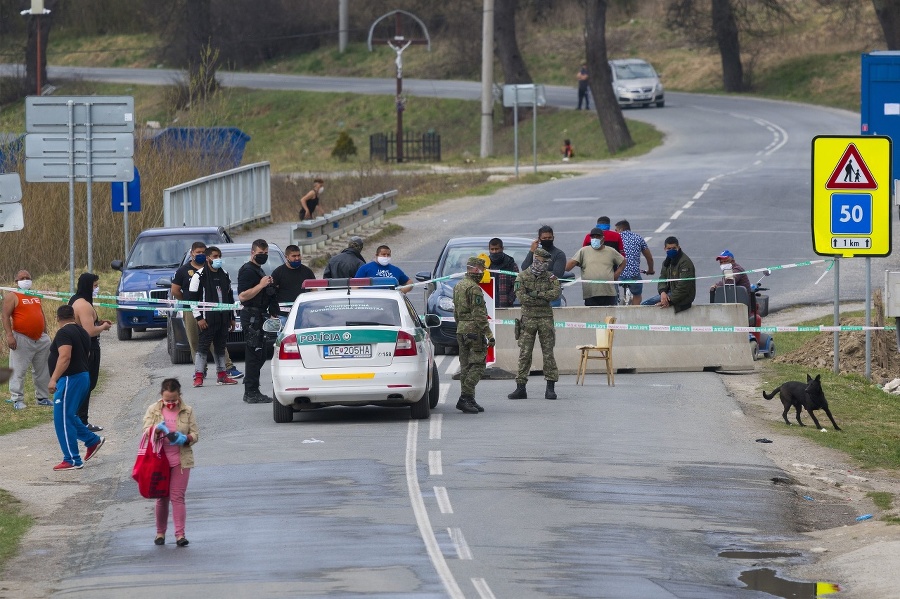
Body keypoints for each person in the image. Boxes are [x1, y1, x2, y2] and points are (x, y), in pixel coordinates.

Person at [171, 242, 242, 380]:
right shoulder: (183, 271)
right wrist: (189, 302)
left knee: (218, 341)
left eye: (204, 252)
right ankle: (200, 370)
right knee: (195, 341)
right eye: (198, 252)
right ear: (192, 253)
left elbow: (227, 295)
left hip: (215, 313)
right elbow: (175, 291)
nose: (201, 255)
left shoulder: (217, 271)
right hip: (192, 311)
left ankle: (227, 367)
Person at [143, 377, 199, 548]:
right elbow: (146, 431)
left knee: (177, 497)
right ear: (161, 396)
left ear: (179, 396)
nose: (170, 403)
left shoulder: (187, 410)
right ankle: (160, 533)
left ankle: (180, 535)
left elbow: (195, 434)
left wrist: (186, 438)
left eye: (174, 400)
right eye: (167, 400)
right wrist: (156, 429)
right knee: (162, 498)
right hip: (159, 461)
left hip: (181, 461)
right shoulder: (153, 409)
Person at [48, 305, 104, 471]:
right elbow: (86, 354)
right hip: (82, 377)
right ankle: (92, 441)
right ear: (73, 316)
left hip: (70, 379)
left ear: (57, 318)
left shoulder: (64, 333)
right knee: (69, 416)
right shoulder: (82, 331)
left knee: (62, 419)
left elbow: (65, 356)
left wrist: (53, 379)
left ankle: (72, 459)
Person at [508, 248, 561, 401]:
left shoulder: (550, 277)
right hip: (528, 319)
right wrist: (542, 298)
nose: (544, 264)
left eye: (546, 262)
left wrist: (536, 294)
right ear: (535, 259)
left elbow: (556, 293)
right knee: (524, 354)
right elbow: (522, 298)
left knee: (548, 353)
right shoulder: (522, 276)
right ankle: (520, 387)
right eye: (541, 261)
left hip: (545, 318)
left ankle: (550, 388)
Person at [188, 246, 238, 388]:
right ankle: (198, 376)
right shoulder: (199, 276)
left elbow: (229, 298)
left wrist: (231, 317)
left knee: (220, 347)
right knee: (202, 347)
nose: (218, 259)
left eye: (219, 256)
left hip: (223, 318)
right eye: (215, 256)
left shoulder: (225, 274)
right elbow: (192, 300)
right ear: (208, 258)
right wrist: (199, 318)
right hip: (207, 319)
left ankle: (222, 376)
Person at [68, 273, 112, 433]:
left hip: (79, 346)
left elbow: (83, 323)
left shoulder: (73, 299)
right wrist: (103, 327)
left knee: (83, 384)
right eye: (94, 285)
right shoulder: (85, 305)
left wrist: (98, 322)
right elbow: (89, 331)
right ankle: (82, 420)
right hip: (88, 348)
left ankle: (78, 419)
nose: (97, 288)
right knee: (87, 384)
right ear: (88, 286)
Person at [2, 270, 51, 409]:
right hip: (22, 338)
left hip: (40, 338)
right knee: (18, 370)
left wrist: (45, 333)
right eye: (22, 278)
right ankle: (17, 399)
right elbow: (5, 316)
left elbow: (40, 313)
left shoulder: (35, 295)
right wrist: (9, 335)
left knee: (42, 370)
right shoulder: (12, 296)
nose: (25, 280)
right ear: (16, 281)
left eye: (28, 278)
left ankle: (42, 397)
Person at [237, 239, 278, 404]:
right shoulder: (247, 271)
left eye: (266, 254)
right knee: (254, 355)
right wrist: (261, 286)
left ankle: (251, 386)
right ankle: (251, 392)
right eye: (261, 253)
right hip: (251, 317)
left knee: (260, 355)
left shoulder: (258, 270)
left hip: (260, 316)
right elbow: (243, 296)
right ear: (252, 252)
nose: (264, 256)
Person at [452, 257, 494, 414]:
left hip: (461, 329)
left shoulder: (458, 285)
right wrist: (489, 334)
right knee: (478, 365)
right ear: (476, 269)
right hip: (474, 330)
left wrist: (460, 326)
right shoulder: (474, 288)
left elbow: (455, 311)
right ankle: (465, 397)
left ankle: (469, 399)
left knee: (466, 366)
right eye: (482, 270)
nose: (483, 273)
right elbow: (479, 314)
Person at [566, 228, 626, 306]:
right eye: (593, 237)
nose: (595, 239)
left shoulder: (611, 251)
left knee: (609, 316)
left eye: (597, 237)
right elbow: (570, 264)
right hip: (591, 293)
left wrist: (617, 273)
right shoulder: (584, 251)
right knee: (592, 317)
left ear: (603, 238)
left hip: (608, 292)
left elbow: (623, 261)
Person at [641, 236, 696, 313]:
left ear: (678, 247)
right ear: (665, 249)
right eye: (669, 248)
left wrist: (669, 301)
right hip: (669, 293)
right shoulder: (667, 262)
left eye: (674, 248)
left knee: (647, 305)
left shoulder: (685, 263)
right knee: (644, 305)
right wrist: (662, 292)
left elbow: (683, 287)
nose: (671, 250)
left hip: (683, 297)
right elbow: (662, 278)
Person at [271, 244, 315, 324]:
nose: (297, 258)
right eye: (294, 256)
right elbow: (272, 293)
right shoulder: (278, 272)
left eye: (298, 255)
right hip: (283, 315)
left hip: (303, 314)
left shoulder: (307, 272)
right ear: (287, 257)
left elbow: (314, 291)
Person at [615, 220, 655, 305]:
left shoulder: (616, 239)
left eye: (616, 230)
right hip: (634, 274)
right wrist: (650, 270)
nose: (616, 232)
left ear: (621, 229)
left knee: (614, 294)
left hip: (618, 274)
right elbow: (649, 258)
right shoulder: (638, 238)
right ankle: (634, 311)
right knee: (637, 295)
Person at [488, 238, 519, 308]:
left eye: (497, 249)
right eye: (492, 249)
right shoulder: (485, 265)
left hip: (506, 308)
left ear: (502, 249)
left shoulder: (511, 265)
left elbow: (517, 284)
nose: (494, 252)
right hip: (488, 307)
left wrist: (509, 299)